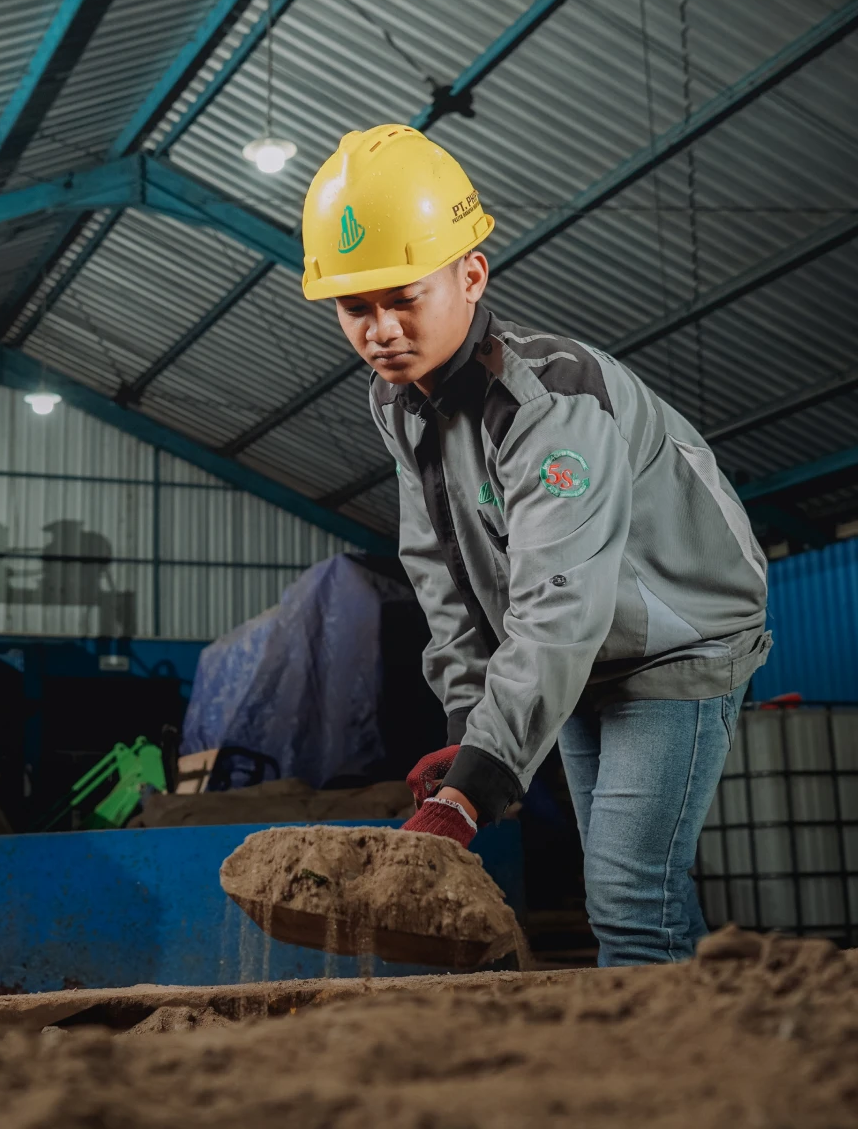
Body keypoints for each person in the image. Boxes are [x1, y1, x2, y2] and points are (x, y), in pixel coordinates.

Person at [297, 124, 771, 965]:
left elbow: (559, 601)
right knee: (616, 890)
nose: (380, 329)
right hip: (581, 651)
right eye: (355, 306)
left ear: (470, 274)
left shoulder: (554, 402)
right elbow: (439, 570)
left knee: (631, 898)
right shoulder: (397, 402)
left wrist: (471, 791)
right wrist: (462, 722)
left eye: (404, 296)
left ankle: (697, 1082)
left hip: (677, 640)